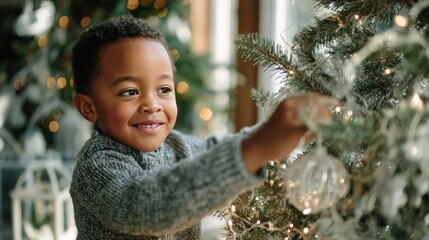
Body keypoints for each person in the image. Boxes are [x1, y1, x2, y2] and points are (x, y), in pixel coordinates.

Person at [69, 15, 336, 240]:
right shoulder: (97, 166)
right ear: (88, 107)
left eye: (163, 89)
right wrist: (255, 148)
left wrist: (280, 135)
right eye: (129, 92)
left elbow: (215, 151)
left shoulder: (177, 145)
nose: (152, 104)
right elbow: (149, 205)